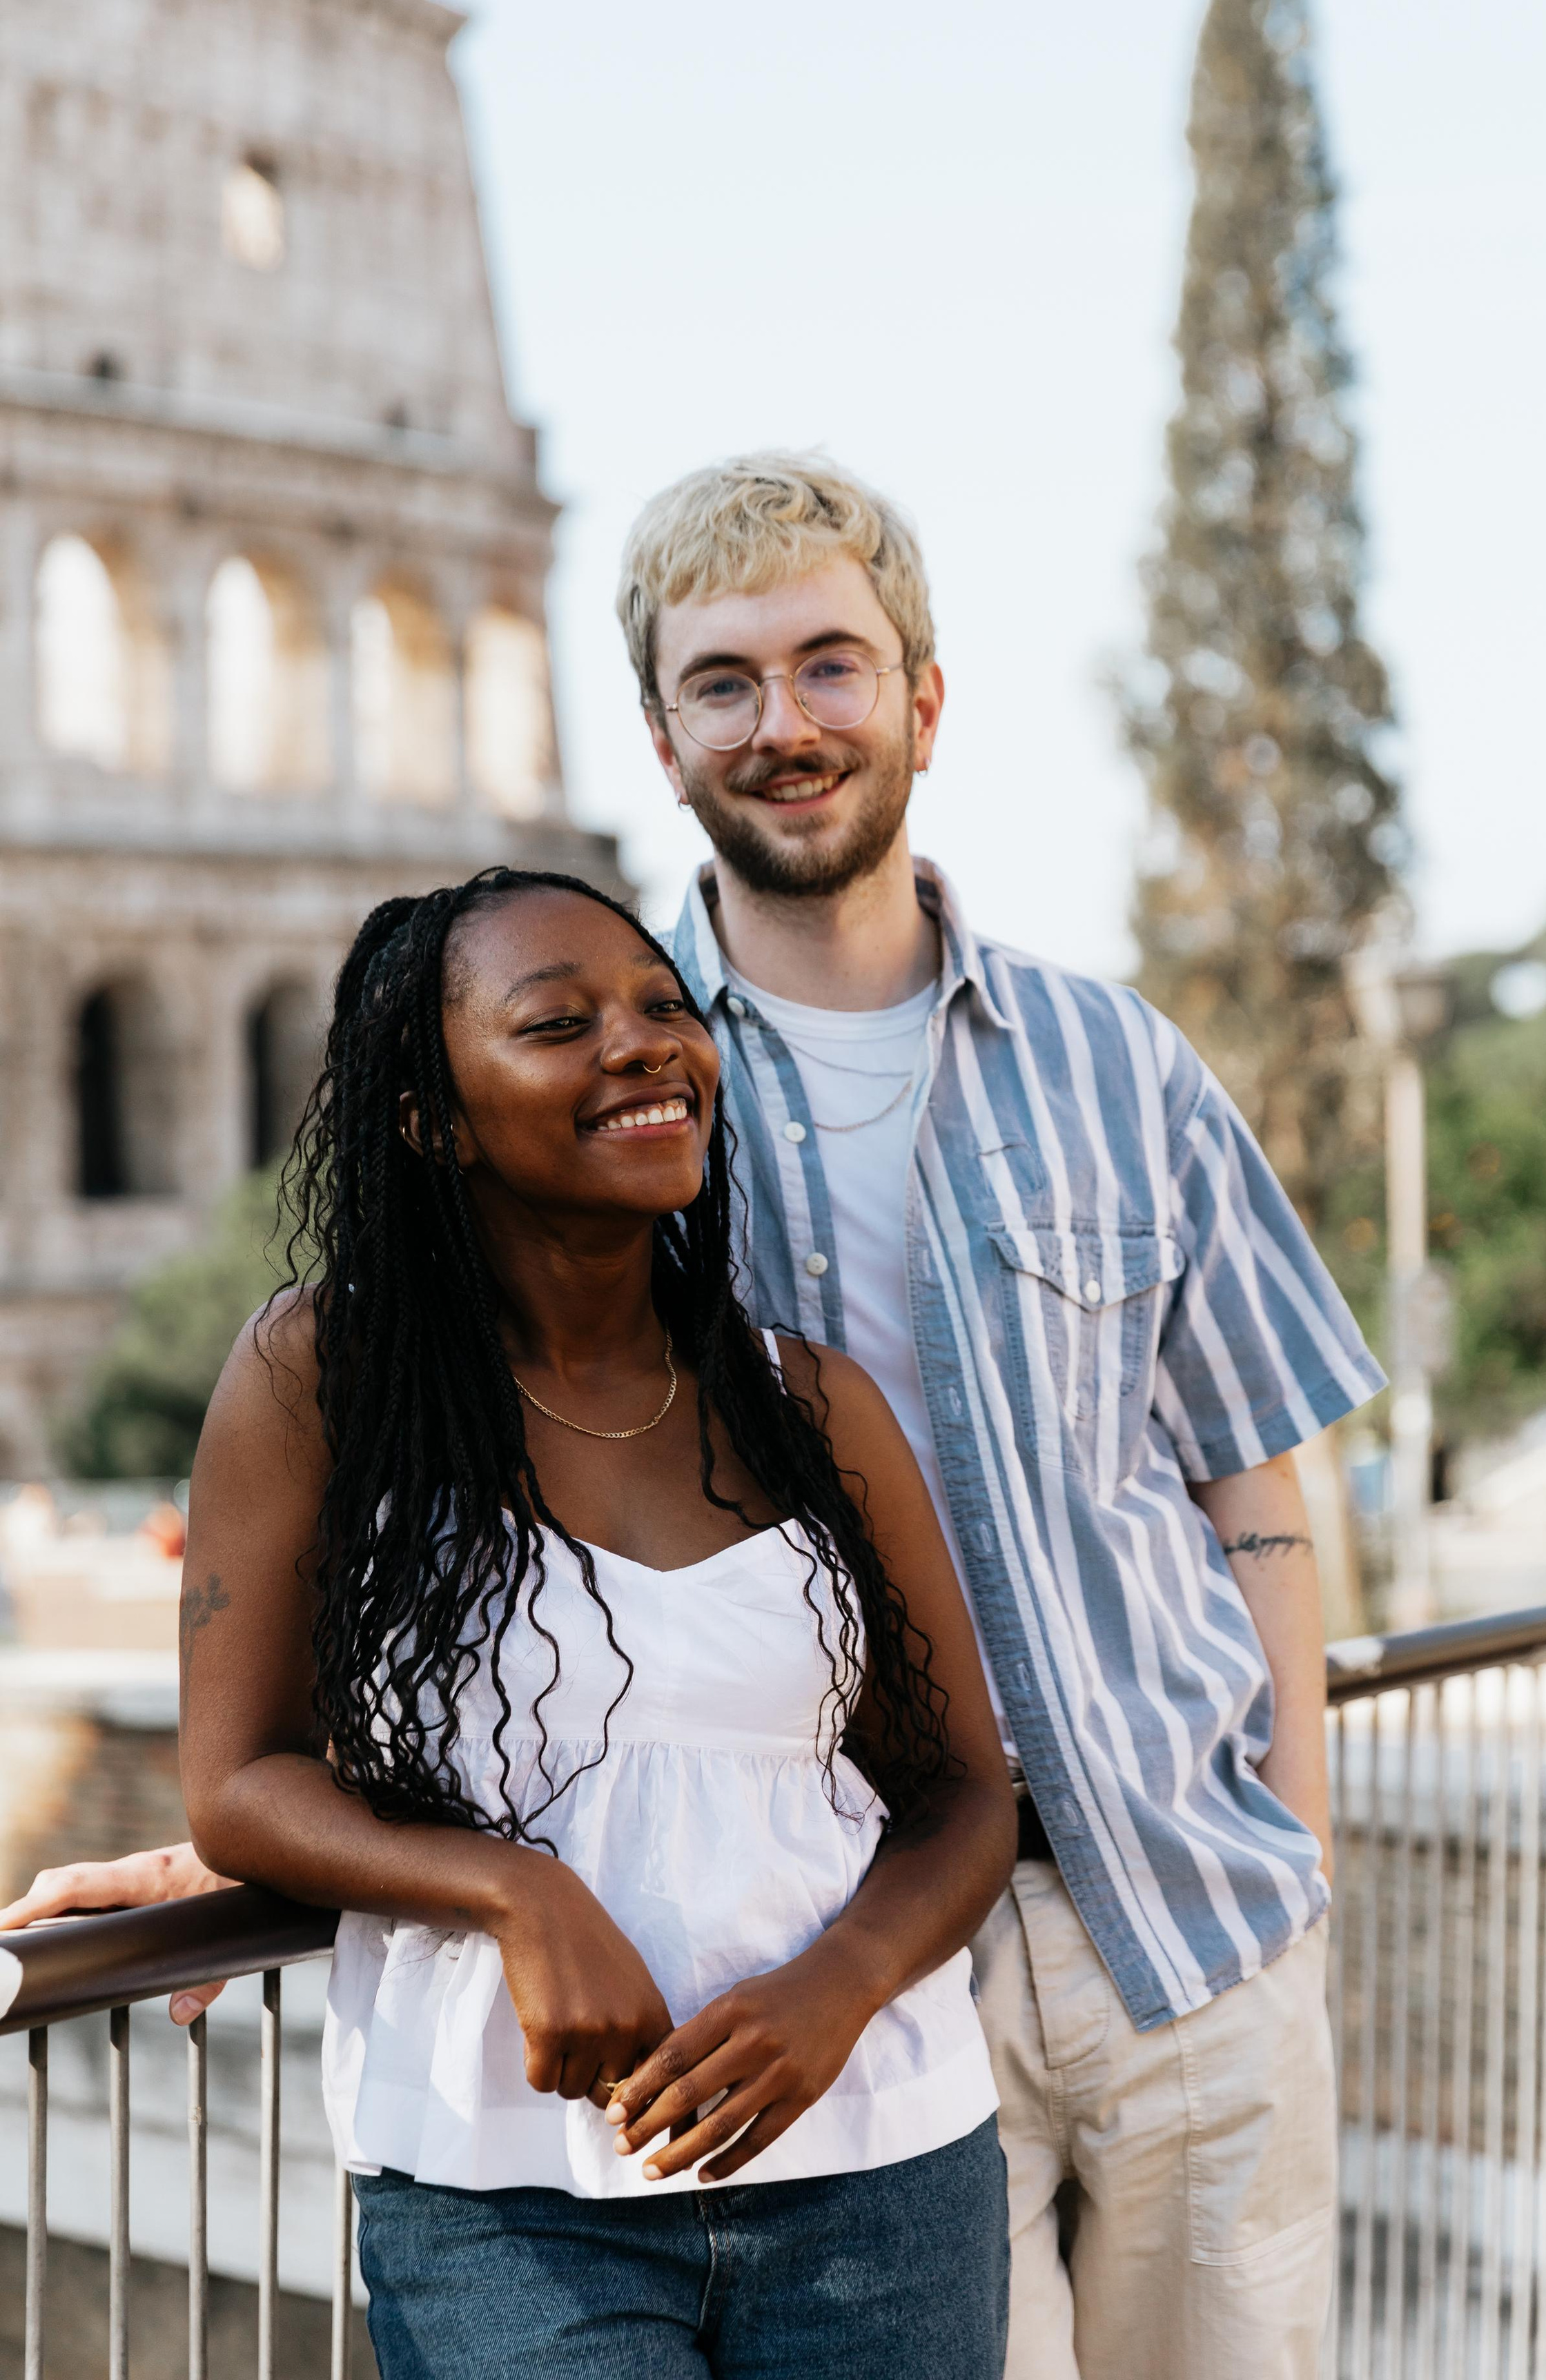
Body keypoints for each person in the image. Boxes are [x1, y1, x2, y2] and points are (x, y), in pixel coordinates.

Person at [8, 452, 1384, 2379]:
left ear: (923, 696)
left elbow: (1255, 1465)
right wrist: (289, 1831)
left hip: (1176, 1921)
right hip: (834, 1955)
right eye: (723, 682)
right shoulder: (588, 1062)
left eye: (833, 665)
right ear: (659, 738)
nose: (786, 724)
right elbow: (468, 1522)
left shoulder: (1110, 1059)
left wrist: (1289, 1847)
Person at [17, 868, 1015, 2380]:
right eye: (559, 1023)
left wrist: (842, 1985)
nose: (643, 1046)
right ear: (428, 1114)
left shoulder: (810, 1403)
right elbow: (239, 1782)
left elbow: (959, 1792)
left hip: (881, 2166)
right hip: (503, 2203)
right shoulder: (321, 1376)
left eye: (663, 1010)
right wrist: (513, 1893)